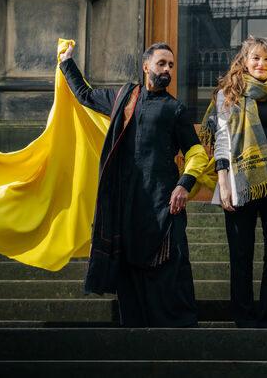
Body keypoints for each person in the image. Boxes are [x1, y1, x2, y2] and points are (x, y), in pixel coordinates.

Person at [59, 42, 208, 328]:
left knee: (170, 267)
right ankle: (135, 331)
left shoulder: (174, 109)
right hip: (126, 202)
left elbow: (196, 152)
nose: (167, 70)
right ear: (146, 66)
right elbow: (86, 96)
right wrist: (67, 64)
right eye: (162, 63)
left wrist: (184, 185)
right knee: (128, 267)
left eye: (171, 66)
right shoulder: (123, 98)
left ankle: (178, 333)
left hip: (163, 203)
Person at [202, 36, 267, 328]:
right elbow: (223, 139)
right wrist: (223, 182)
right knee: (241, 252)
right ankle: (243, 316)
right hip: (241, 183)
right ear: (244, 61)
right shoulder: (230, 94)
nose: (261, 64)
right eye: (255, 58)